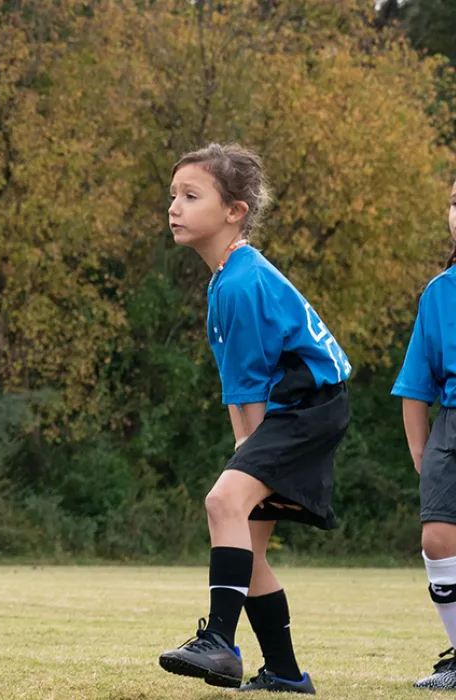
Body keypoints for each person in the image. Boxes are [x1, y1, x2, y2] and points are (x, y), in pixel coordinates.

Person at [156, 143, 350, 695]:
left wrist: (247, 457)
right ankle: (287, 675)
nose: (175, 207)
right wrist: (246, 452)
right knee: (248, 547)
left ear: (235, 210)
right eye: (173, 196)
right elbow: (241, 387)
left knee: (223, 502)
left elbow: (262, 392)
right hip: (293, 408)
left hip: (309, 407)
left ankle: (219, 642)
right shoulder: (225, 278)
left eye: (191, 196)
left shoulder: (241, 282)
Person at [395, 175, 456, 691]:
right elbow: (416, 384)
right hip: (451, 428)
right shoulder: (438, 294)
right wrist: (422, 450)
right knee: (438, 540)